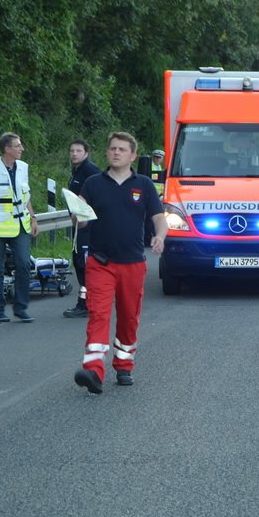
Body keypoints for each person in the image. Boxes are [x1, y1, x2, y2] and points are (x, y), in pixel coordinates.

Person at [74, 131, 165, 394]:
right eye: (112, 148)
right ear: (107, 152)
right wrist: (78, 218)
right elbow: (80, 217)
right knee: (99, 314)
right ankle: (93, 371)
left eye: (122, 149)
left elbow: (159, 217)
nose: (116, 152)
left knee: (128, 317)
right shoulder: (92, 183)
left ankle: (124, 364)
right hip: (100, 262)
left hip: (133, 262)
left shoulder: (145, 184)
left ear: (133, 155)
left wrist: (160, 236)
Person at [0, 132, 38, 322]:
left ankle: (21, 307)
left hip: (21, 225)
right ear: (7, 149)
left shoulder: (23, 168)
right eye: (18, 146)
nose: (22, 149)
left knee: (23, 264)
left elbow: (25, 195)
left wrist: (34, 218)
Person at [63, 139, 102, 317]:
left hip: (89, 227)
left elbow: (99, 197)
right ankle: (86, 302)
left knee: (85, 265)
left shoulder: (91, 171)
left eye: (78, 151)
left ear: (86, 153)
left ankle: (86, 304)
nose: (74, 154)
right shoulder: (77, 170)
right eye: (72, 150)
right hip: (79, 225)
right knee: (79, 263)